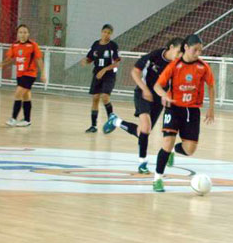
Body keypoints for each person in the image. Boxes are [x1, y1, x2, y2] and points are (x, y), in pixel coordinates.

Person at [102, 37, 183, 174]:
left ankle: (115, 121)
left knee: (143, 132)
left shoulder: (177, 65)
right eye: (179, 51)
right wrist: (145, 89)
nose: (181, 55)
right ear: (171, 47)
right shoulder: (154, 56)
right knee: (146, 127)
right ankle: (142, 163)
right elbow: (135, 72)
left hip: (159, 97)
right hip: (142, 93)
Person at [151, 34, 216, 192]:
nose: (198, 53)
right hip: (173, 108)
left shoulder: (203, 66)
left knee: (190, 150)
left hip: (192, 110)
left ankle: (174, 150)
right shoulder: (174, 65)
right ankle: (157, 179)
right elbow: (157, 86)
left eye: (200, 51)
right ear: (186, 47)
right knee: (167, 142)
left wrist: (211, 108)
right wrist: (164, 95)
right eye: (195, 50)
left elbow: (211, 86)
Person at [0, 24, 46, 127]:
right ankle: (27, 120)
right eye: (20, 32)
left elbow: (39, 59)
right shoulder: (15, 45)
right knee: (26, 96)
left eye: (25, 32)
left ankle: (13, 119)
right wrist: (3, 64)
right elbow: (10, 58)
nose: (22, 34)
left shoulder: (33, 45)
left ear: (28, 34)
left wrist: (43, 73)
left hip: (30, 74)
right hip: (20, 74)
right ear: (17, 34)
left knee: (18, 94)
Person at [80, 24, 120, 133]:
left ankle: (111, 122)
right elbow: (90, 58)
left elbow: (116, 63)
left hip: (109, 75)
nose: (106, 34)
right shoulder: (96, 44)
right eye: (104, 32)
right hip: (97, 74)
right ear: (101, 32)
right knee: (95, 98)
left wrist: (104, 70)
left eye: (108, 33)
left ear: (111, 34)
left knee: (105, 97)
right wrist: (85, 61)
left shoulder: (113, 46)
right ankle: (93, 126)